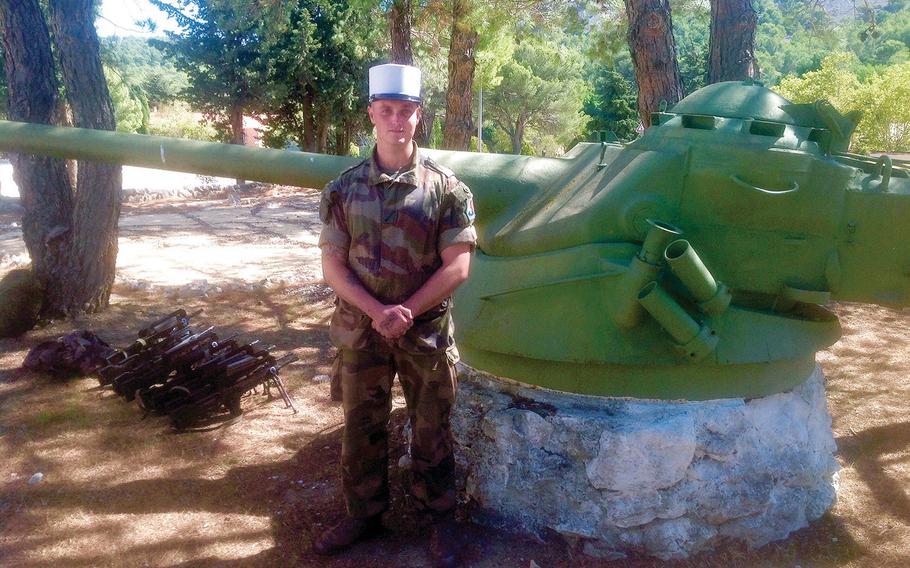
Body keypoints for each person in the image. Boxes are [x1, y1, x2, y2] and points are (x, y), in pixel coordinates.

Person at [313, 63, 476, 567]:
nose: (396, 120)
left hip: (423, 334)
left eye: (405, 111)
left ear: (418, 116)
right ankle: (363, 515)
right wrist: (378, 310)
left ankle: (439, 520)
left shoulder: (447, 190)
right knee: (360, 426)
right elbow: (333, 266)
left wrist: (406, 310)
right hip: (362, 331)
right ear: (372, 115)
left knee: (432, 428)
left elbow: (460, 266)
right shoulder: (343, 189)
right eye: (386, 110)